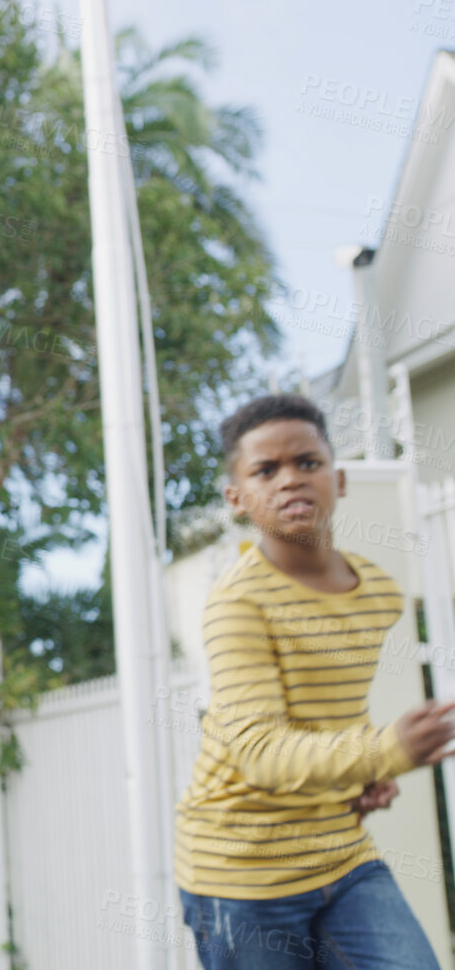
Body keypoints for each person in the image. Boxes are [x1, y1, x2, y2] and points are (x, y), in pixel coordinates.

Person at [174, 393, 455, 968]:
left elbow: (330, 706)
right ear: (236, 500)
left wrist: (362, 771)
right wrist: (383, 752)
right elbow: (259, 751)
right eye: (265, 470)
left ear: (339, 478)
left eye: (307, 462)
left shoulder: (377, 591)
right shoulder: (237, 604)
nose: (290, 481)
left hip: (342, 855)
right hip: (241, 873)